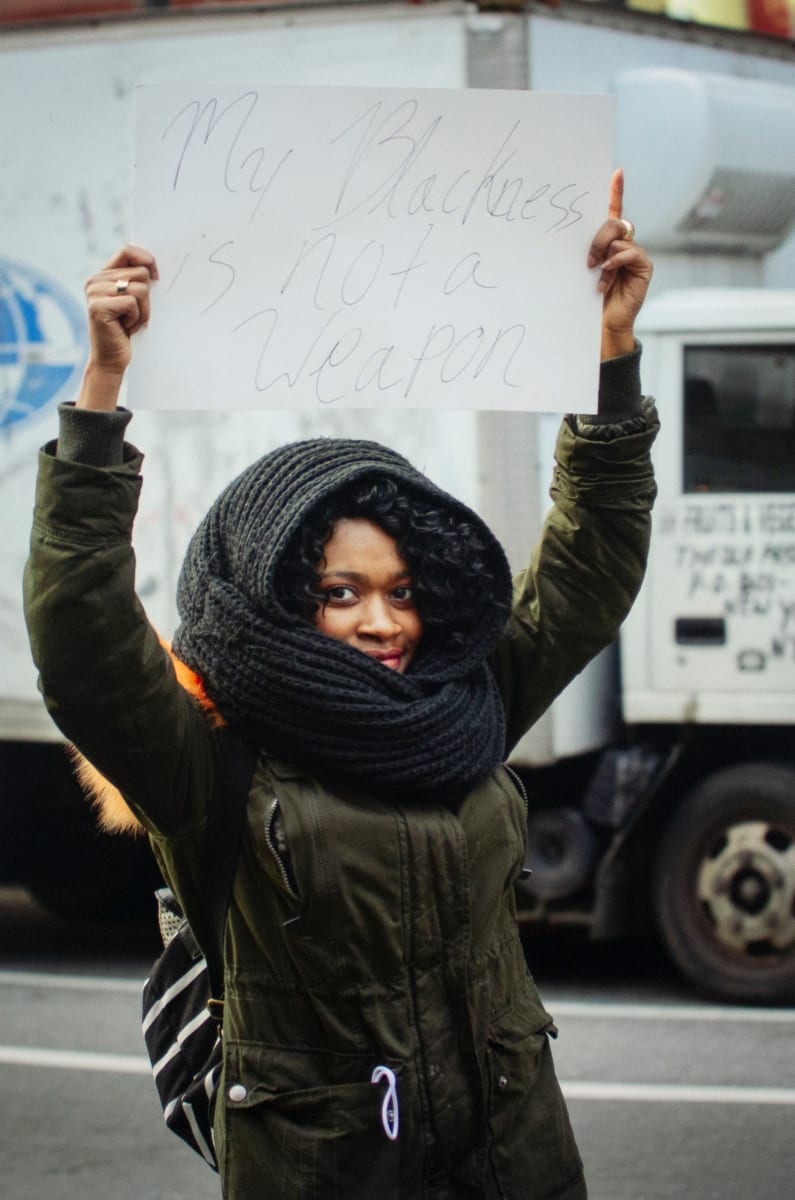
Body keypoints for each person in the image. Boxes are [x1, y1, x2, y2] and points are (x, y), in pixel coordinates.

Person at [24, 169, 657, 1200]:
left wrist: (612, 358)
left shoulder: (464, 705)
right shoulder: (208, 761)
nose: (381, 621)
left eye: (404, 590)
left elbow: (589, 565)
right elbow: (81, 634)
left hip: (515, 1159)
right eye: (338, 591)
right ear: (278, 595)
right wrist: (101, 395)